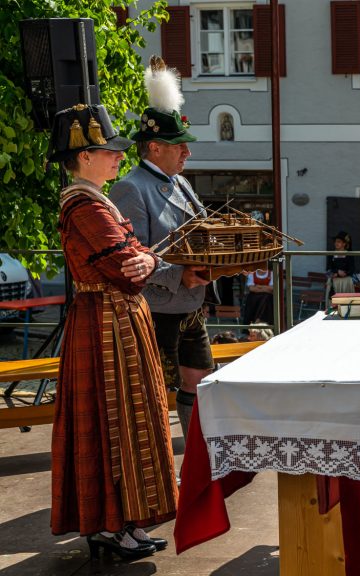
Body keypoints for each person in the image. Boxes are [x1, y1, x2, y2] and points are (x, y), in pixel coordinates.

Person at [48, 103, 176, 559]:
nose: (120, 156)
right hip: (104, 325)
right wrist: (143, 261)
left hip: (117, 320)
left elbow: (138, 252)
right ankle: (109, 525)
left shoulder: (98, 201)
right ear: (85, 157)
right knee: (112, 420)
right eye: (110, 151)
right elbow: (124, 265)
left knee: (130, 416)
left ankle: (126, 522)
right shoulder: (82, 204)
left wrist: (147, 260)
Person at [110, 56, 212, 442]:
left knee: (199, 382)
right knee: (152, 394)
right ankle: (155, 462)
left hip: (191, 305)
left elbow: (202, 232)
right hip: (157, 310)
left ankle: (197, 460)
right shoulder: (131, 188)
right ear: (154, 147)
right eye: (179, 146)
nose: (187, 152)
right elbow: (131, 257)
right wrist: (180, 275)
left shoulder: (180, 182)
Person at [327, 231, 357, 295]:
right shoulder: (331, 254)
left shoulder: (349, 255)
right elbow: (329, 268)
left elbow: (352, 269)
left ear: (344, 244)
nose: (336, 243)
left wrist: (344, 273)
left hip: (346, 282)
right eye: (335, 242)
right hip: (334, 281)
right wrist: (337, 272)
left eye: (339, 242)